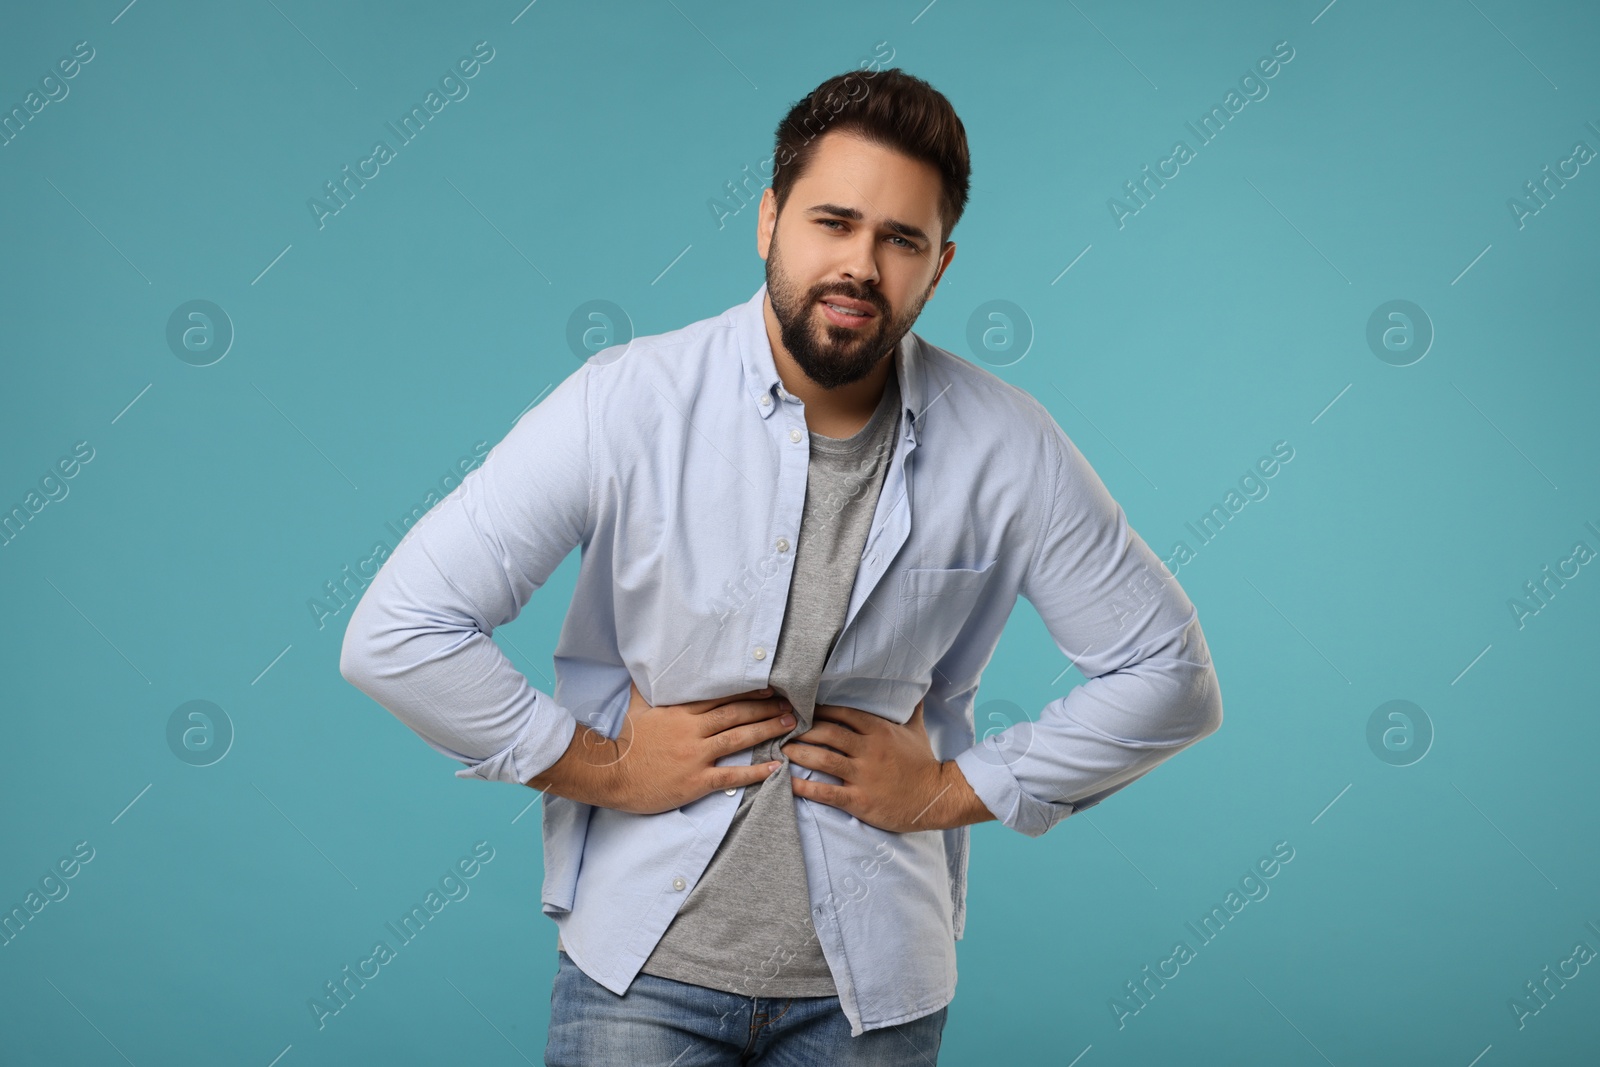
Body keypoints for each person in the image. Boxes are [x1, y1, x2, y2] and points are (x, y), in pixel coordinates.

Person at [339, 67, 1223, 1066]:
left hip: (872, 996)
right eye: (832, 222)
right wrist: (607, 767)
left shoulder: (1006, 442)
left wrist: (950, 788)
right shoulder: (627, 402)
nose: (860, 263)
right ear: (768, 220)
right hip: (642, 973)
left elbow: (1170, 679)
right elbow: (397, 633)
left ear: (939, 265)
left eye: (901, 239)